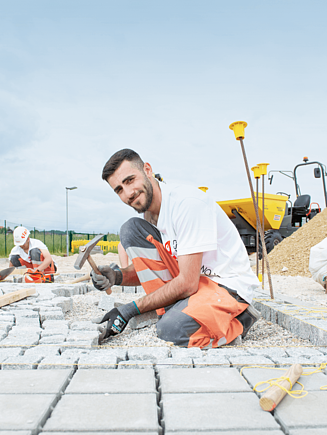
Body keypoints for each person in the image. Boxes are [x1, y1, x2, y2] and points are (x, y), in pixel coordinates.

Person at [91, 149, 261, 348]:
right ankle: (171, 310)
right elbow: (154, 269)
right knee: (131, 230)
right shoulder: (150, 217)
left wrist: (130, 309)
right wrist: (116, 276)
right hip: (195, 279)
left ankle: (240, 321)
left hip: (226, 285)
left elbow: (187, 283)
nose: (128, 193)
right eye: (119, 189)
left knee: (172, 330)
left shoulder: (187, 204)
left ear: (147, 170)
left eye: (130, 180)